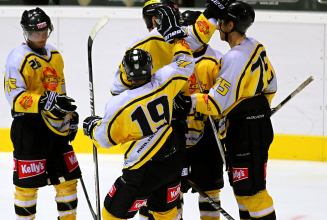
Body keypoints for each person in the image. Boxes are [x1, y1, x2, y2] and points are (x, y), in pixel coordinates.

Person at [83, 7, 194, 220]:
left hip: (142, 169)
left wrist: (92, 127)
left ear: (126, 72)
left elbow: (105, 139)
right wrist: (178, 38)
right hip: (171, 162)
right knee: (166, 213)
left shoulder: (119, 104)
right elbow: (185, 63)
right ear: (150, 66)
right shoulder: (164, 81)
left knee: (110, 213)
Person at [187, 1, 278, 219]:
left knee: (253, 193)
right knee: (243, 191)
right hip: (251, 127)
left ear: (230, 25)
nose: (217, 26)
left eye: (221, 22)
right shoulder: (256, 46)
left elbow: (215, 105)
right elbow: (271, 85)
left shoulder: (233, 58)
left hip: (247, 132)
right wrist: (257, 111)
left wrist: (187, 102)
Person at [4, 7, 81, 220]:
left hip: (55, 128)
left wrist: (69, 117)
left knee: (67, 180)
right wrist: (44, 102)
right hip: (29, 128)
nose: (40, 37)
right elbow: (15, 98)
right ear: (25, 34)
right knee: (26, 187)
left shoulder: (55, 55)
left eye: (44, 31)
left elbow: (61, 91)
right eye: (34, 33)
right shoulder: (17, 58)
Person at [179, 10, 225, 220]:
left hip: (208, 139)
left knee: (209, 192)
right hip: (175, 137)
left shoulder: (217, 61)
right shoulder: (172, 60)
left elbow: (225, 102)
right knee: (171, 191)